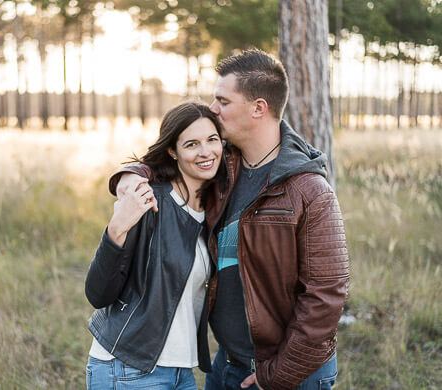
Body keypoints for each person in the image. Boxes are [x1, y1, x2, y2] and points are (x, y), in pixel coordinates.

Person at [110, 49, 350, 390]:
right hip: (225, 364)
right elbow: (172, 157)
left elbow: (326, 297)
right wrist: (131, 174)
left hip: (284, 374)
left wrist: (277, 377)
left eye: (223, 100)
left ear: (258, 108)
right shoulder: (224, 169)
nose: (212, 109)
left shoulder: (309, 190)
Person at [85, 102, 225, 389]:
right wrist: (116, 228)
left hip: (182, 374)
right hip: (127, 369)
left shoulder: (213, 211)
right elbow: (98, 292)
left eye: (212, 139)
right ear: (172, 151)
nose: (206, 152)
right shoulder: (149, 202)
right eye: (191, 144)